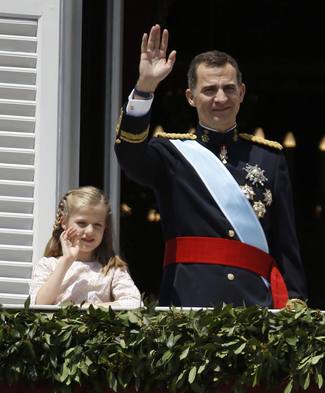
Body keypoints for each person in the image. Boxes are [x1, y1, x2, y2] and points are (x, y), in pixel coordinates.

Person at [114, 24, 307, 309]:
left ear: (242, 92)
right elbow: (129, 154)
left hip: (255, 304)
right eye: (209, 90)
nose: (221, 98)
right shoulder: (171, 154)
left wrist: (295, 302)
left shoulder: (270, 158)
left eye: (229, 88)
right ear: (190, 97)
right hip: (188, 300)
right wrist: (145, 87)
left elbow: (285, 242)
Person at [29, 187, 141, 309]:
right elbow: (39, 305)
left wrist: (87, 309)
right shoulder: (48, 265)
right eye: (82, 223)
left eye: (97, 225)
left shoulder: (112, 269)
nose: (90, 231)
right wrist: (67, 260)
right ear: (64, 222)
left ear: (105, 227)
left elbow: (134, 303)